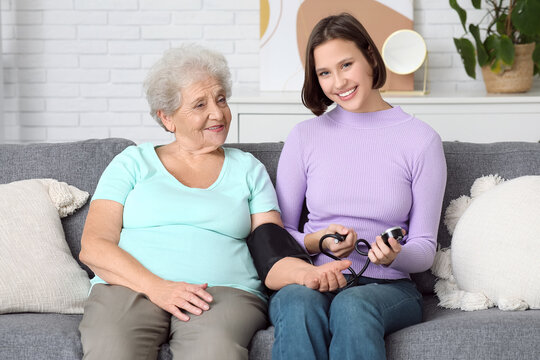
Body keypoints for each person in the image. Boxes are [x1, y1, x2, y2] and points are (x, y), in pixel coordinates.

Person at [78, 44, 351, 360]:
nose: (217, 113)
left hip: (225, 294)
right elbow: (94, 246)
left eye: (221, 99)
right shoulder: (132, 163)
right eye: (199, 104)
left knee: (213, 352)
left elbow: (270, 248)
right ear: (167, 118)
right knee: (112, 351)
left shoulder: (248, 168)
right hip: (128, 288)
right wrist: (157, 287)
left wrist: (308, 273)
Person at [269, 13, 447, 360]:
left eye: (346, 64)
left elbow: (425, 248)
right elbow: (278, 234)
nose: (338, 82)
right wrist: (318, 242)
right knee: (295, 300)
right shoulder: (304, 137)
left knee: (353, 305)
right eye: (324, 73)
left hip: (389, 288)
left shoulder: (421, 140)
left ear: (369, 55)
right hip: (316, 277)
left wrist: (395, 255)